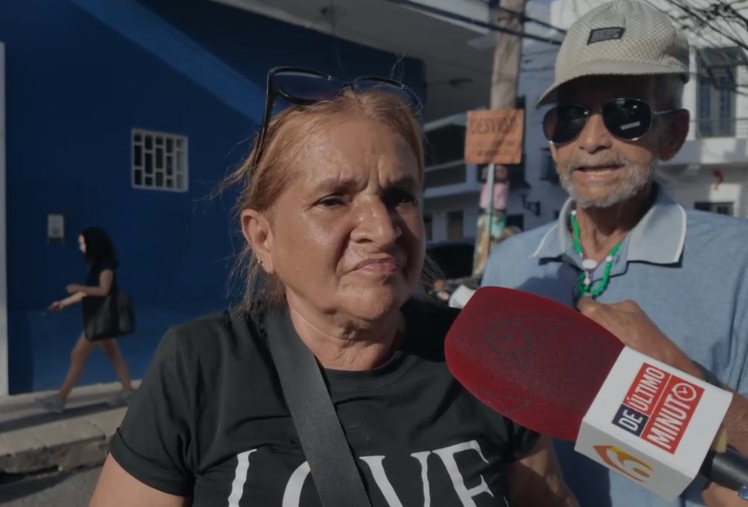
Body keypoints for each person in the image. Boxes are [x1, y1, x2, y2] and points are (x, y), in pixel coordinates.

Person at [89, 67, 579, 506]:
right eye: (333, 200)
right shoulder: (201, 365)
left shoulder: (487, 354)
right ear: (263, 238)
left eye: (400, 196)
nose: (384, 230)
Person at [481, 1, 748, 506]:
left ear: (674, 132)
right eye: (572, 116)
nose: (593, 140)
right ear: (552, 137)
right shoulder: (510, 266)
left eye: (627, 113)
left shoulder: (739, 262)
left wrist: (679, 377)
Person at [36, 227, 135, 413]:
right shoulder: (95, 263)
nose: (81, 247)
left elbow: (104, 290)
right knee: (114, 354)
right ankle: (128, 391)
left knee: (77, 354)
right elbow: (87, 291)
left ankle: (60, 399)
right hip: (98, 317)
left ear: (93, 243)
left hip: (100, 318)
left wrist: (77, 287)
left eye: (83, 243)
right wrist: (63, 303)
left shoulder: (106, 264)